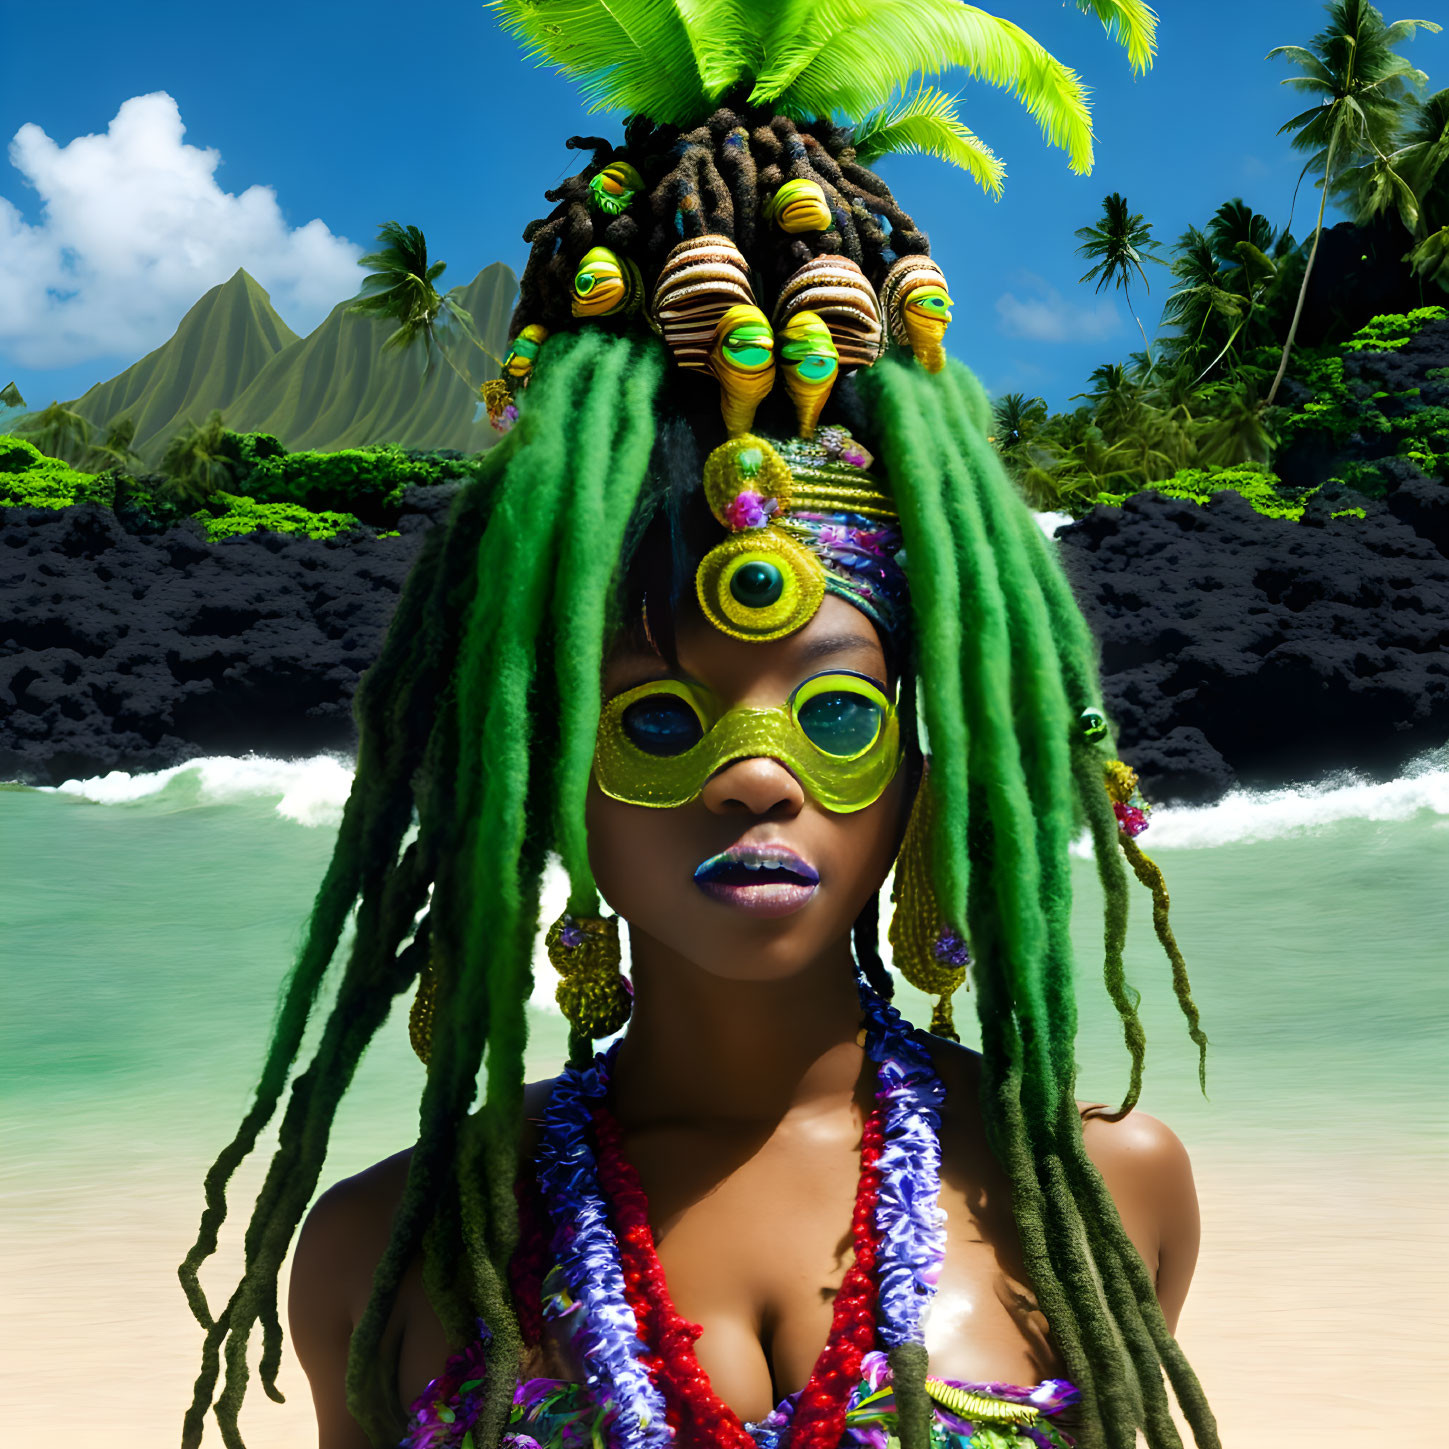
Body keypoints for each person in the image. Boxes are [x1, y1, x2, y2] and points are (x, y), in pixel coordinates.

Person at [180, 5, 1218, 1447]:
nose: (747, 775)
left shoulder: (1111, 1190)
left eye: (838, 710)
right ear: (547, 778)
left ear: (931, 766)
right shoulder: (379, 1253)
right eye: (656, 720)